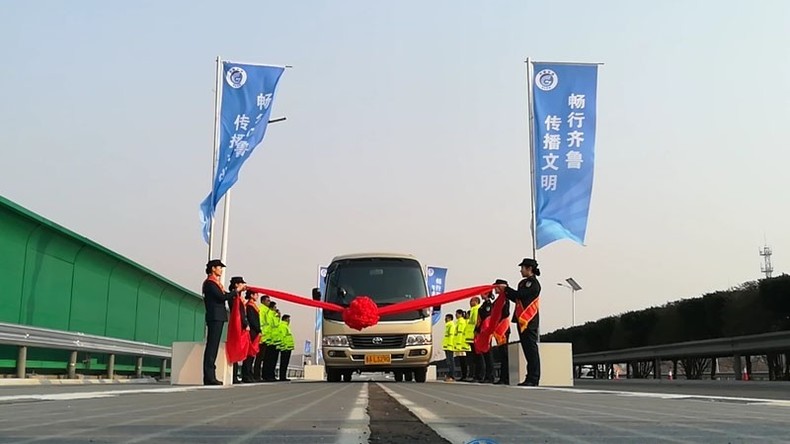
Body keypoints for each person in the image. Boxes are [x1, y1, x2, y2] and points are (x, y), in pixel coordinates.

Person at [498, 258, 541, 386]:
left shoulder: (533, 283)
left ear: (529, 269)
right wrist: (506, 292)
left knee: (531, 350)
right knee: (527, 350)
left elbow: (521, 295)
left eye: (522, 268)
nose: (520, 270)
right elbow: (516, 298)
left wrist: (506, 289)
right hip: (521, 320)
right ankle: (530, 377)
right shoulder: (523, 283)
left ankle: (533, 378)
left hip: (529, 320)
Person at [202, 259, 245, 386]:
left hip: (218, 317)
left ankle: (210, 375)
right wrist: (236, 291)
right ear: (213, 268)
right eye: (219, 268)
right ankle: (209, 376)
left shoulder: (216, 283)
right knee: (212, 346)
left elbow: (226, 294)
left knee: (213, 347)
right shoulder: (210, 283)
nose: (221, 270)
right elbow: (222, 297)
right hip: (214, 316)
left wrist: (237, 291)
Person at [492, 279, 511, 385]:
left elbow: (505, 313)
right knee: (501, 354)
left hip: (503, 328)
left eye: (496, 286)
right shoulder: (498, 299)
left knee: (504, 354)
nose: (495, 289)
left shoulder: (504, 299)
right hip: (498, 328)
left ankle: (505, 377)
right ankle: (503, 377)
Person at [475, 292, 495, 383]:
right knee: (485, 353)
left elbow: (487, 318)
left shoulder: (488, 305)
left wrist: (481, 329)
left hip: (486, 331)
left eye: (483, 293)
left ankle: (490, 376)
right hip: (481, 331)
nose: (481, 295)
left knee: (488, 354)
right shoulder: (484, 305)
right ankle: (487, 376)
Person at [242, 290, 262, 383]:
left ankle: (249, 374)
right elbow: (252, 320)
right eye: (256, 294)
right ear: (251, 295)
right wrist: (258, 329)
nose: (257, 296)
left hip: (255, 332)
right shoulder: (249, 306)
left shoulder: (253, 306)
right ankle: (246, 375)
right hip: (252, 332)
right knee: (249, 354)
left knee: (252, 354)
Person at [253, 294, 272, 381]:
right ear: (263, 301)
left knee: (262, 358)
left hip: (266, 337)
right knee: (259, 358)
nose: (269, 302)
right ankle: (256, 375)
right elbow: (261, 323)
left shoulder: (268, 311)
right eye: (267, 300)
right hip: (262, 337)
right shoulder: (262, 309)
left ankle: (258, 375)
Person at [464, 297, 480, 382]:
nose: (470, 303)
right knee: (473, 357)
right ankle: (474, 375)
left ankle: (477, 375)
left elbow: (476, 323)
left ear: (476, 301)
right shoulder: (473, 310)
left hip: (475, 336)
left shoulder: (476, 309)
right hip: (471, 337)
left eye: (472, 301)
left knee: (476, 357)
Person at [276, 314, 295, 382]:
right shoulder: (283, 326)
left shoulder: (286, 326)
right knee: (284, 363)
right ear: (286, 319)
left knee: (285, 363)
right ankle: (282, 376)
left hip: (287, 348)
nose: (289, 321)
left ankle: (283, 376)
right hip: (285, 348)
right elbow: (282, 337)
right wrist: (284, 347)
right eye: (288, 319)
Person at [454, 309, 470, 381]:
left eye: (457, 314)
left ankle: (465, 375)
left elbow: (460, 333)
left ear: (460, 314)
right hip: (459, 344)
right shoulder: (458, 322)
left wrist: (458, 343)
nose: (456, 315)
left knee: (463, 361)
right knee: (461, 361)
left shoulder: (461, 322)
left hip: (461, 344)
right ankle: (463, 375)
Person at [442, 313, 456, 382]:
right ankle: (449, 375)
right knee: (448, 362)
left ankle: (452, 376)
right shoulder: (448, 325)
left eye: (446, 318)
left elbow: (451, 336)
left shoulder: (451, 325)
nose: (445, 319)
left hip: (449, 346)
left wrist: (450, 345)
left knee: (451, 361)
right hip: (447, 345)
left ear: (450, 318)